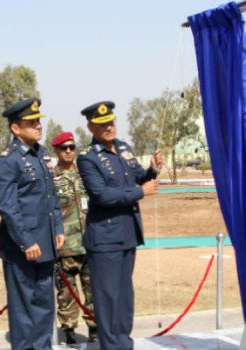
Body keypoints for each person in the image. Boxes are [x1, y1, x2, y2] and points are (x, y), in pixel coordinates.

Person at [76, 101, 163, 350]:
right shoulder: (88, 158)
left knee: (125, 297)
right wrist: (139, 192)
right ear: (92, 127)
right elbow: (102, 195)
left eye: (111, 122)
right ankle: (112, 345)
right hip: (104, 237)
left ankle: (124, 342)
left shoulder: (124, 148)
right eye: (102, 124)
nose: (109, 127)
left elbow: (139, 176)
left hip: (127, 233)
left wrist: (153, 168)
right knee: (108, 297)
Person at [0, 98, 65, 350]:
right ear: (15, 128)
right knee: (23, 312)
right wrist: (26, 241)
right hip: (22, 248)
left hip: (45, 243)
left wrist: (58, 229)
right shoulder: (7, 161)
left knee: (45, 306)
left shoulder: (42, 154)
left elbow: (51, 196)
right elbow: (8, 207)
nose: (38, 125)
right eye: (31, 122)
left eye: (38, 121)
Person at [50, 131, 97, 344]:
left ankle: (94, 329)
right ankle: (68, 331)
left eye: (71, 147)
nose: (68, 151)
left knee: (93, 292)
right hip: (64, 247)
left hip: (88, 245)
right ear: (56, 150)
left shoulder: (85, 174)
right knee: (66, 295)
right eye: (63, 148)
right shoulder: (50, 178)